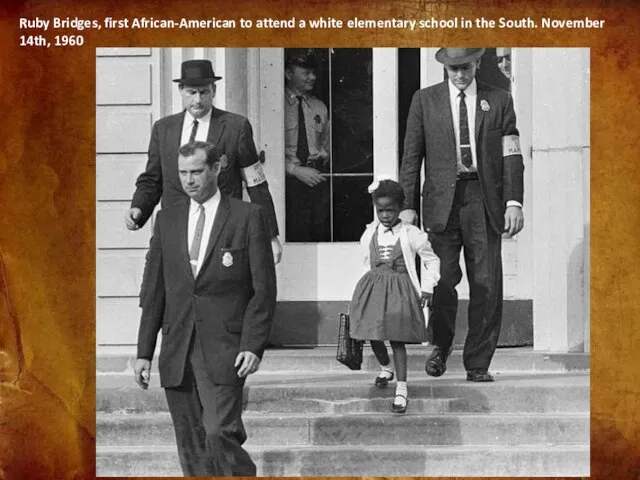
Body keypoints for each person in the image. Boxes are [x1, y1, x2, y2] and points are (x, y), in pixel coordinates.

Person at [133, 141, 277, 476]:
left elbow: (263, 291)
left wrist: (253, 346)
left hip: (226, 349)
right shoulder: (166, 220)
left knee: (219, 432)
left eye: (197, 171)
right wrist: (144, 351)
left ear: (217, 168)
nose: (189, 180)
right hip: (177, 348)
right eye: (183, 173)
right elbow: (154, 291)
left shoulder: (247, 216)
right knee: (191, 444)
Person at [399, 48, 524, 383]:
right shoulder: (425, 101)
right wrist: (407, 206)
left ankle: (478, 362)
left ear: (477, 63)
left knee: (486, 283)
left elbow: (511, 154)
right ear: (444, 68)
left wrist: (514, 201)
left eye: (465, 68)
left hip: (484, 201)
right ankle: (440, 346)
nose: (459, 75)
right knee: (442, 281)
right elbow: (411, 157)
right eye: (453, 69)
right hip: (442, 204)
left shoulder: (498, 100)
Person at [125, 59, 283, 263]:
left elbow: (256, 184)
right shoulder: (164, 129)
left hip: (222, 232)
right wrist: (138, 208)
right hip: (175, 232)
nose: (198, 100)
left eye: (204, 92)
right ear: (181, 90)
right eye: (191, 92)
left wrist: (270, 235)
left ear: (214, 90)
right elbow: (152, 179)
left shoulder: (236, 127)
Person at [349, 179, 440, 414]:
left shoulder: (411, 234)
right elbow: (365, 262)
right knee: (373, 333)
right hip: (374, 288)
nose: (385, 215)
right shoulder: (370, 233)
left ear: (400, 208)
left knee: (397, 339)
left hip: (399, 290)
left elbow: (431, 260)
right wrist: (360, 294)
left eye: (390, 210)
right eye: (381, 211)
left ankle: (401, 388)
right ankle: (386, 366)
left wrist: (428, 287)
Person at [284, 50, 331, 241]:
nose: (313, 77)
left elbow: (326, 145)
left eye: (313, 72)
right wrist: (294, 170)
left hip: (315, 181)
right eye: (306, 72)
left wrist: (324, 155)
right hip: (287, 183)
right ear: (288, 74)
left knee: (318, 236)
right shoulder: (276, 105)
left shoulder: (319, 107)